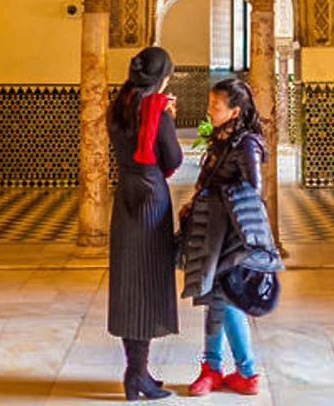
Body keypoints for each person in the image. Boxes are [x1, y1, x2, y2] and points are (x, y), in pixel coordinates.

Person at [177, 77, 281, 397]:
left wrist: (212, 196)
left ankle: (238, 370)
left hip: (231, 234)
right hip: (213, 229)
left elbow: (253, 188)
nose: (210, 110)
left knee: (224, 296)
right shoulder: (223, 138)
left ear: (234, 111)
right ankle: (220, 369)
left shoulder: (247, 143)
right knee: (216, 295)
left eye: (216, 106)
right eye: (210, 104)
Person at [107, 45, 183, 401]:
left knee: (129, 283)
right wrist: (166, 116)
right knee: (149, 280)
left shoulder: (118, 105)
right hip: (151, 196)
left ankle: (137, 371)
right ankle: (137, 374)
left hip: (125, 195)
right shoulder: (157, 111)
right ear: (161, 77)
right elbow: (173, 158)